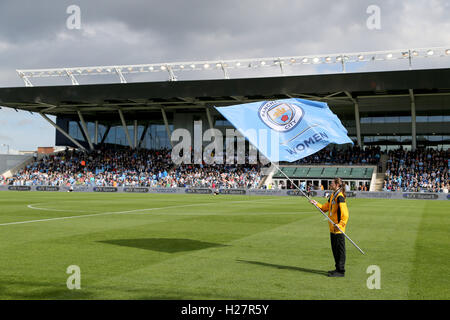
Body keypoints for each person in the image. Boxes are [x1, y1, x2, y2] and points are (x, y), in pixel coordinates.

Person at [310, 178, 349, 277]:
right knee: (335, 250)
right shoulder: (332, 195)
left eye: (332, 183)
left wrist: (340, 224)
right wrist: (316, 204)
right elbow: (325, 208)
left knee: (340, 250)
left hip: (338, 229)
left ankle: (341, 271)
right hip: (332, 228)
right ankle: (337, 268)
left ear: (336, 185)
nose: (330, 184)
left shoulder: (340, 196)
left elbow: (345, 214)